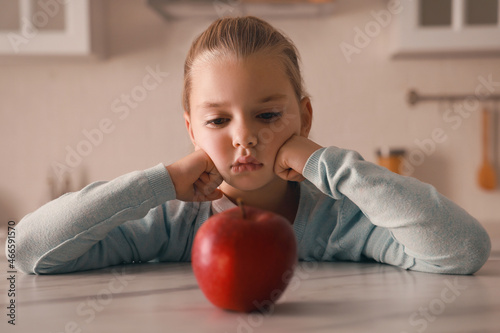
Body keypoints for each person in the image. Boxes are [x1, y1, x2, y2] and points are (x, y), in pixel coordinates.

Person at [12, 16, 490, 275]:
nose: (244, 137)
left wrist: (330, 165)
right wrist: (160, 182)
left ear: (303, 117)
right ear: (192, 131)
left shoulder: (341, 219)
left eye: (267, 115)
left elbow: (464, 250)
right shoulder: (173, 222)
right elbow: (25, 248)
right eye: (218, 120)